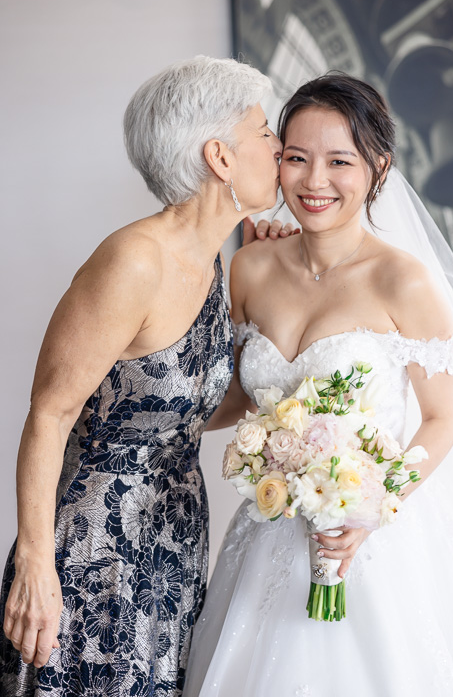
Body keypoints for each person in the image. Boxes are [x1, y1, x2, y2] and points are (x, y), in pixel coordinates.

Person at [184, 74, 453, 696]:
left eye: (340, 161)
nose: (314, 182)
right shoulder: (249, 266)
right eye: (296, 159)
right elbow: (240, 397)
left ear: (377, 167)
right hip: (267, 532)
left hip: (368, 539)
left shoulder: (403, 282)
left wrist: (369, 510)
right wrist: (160, 422)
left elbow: (442, 418)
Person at [0, 55, 283, 696]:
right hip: (96, 547)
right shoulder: (134, 262)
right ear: (221, 156)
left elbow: (203, 408)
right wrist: (35, 565)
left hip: (174, 540)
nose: (278, 145)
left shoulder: (216, 264)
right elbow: (50, 412)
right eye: (264, 131)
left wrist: (271, 303)